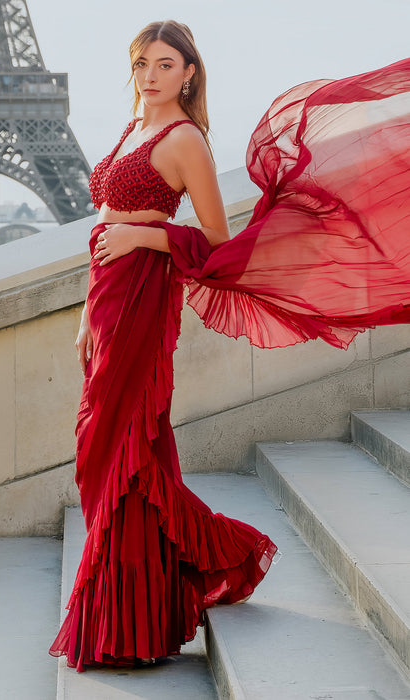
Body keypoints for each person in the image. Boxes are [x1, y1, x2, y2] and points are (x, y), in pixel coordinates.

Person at [49, 20, 410, 671]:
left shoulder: (184, 138)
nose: (151, 75)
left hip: (141, 300)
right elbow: (105, 225)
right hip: (104, 303)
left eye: (164, 64)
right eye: (141, 64)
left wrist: (146, 240)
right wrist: (82, 314)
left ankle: (127, 622)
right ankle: (217, 551)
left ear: (188, 72)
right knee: (108, 448)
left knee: (120, 443)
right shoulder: (130, 129)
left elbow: (216, 237)